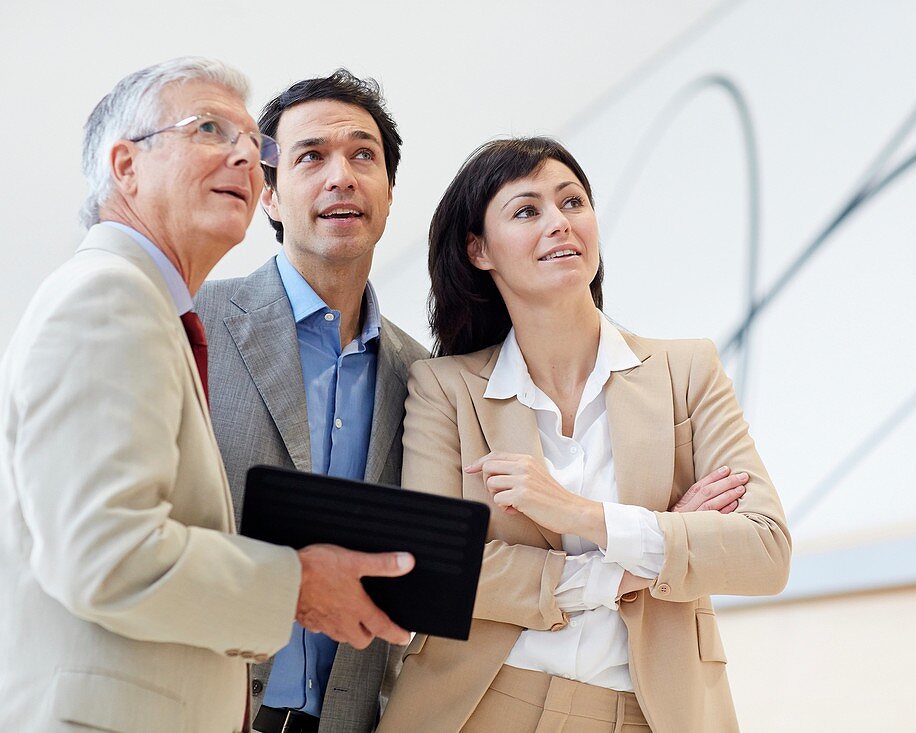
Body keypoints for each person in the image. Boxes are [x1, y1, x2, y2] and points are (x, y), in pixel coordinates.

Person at [0, 57, 414, 733]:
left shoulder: (150, 306)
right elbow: (107, 550)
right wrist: (298, 585)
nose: (244, 159)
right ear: (127, 165)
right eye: (210, 130)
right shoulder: (109, 297)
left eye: (254, 146)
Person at [380, 138, 791, 733]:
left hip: (650, 713)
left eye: (572, 202)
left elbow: (765, 552)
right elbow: (437, 570)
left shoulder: (688, 370)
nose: (559, 223)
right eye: (527, 210)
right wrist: (638, 561)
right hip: (481, 707)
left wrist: (583, 515)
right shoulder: (445, 389)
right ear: (478, 249)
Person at [195, 69, 429, 733]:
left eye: (364, 155)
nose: (341, 176)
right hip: (208, 706)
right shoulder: (193, 324)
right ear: (267, 194)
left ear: (388, 194)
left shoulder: (424, 377)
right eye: (311, 156)